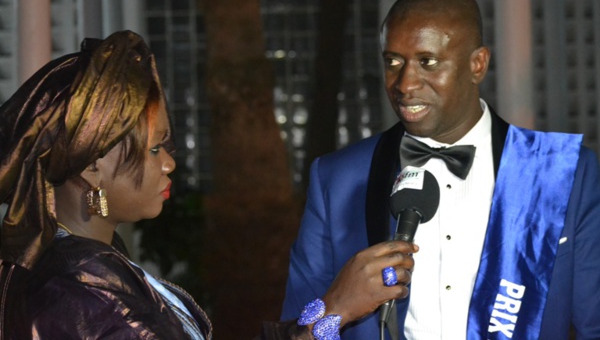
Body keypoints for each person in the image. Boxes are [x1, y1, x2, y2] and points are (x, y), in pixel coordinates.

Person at [0, 30, 417, 340]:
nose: (168, 163)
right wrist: (334, 310)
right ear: (92, 165)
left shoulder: (89, 266)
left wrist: (332, 310)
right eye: (153, 149)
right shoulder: (81, 293)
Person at [281, 0, 600, 339]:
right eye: (393, 62)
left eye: (427, 62)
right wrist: (337, 308)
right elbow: (295, 329)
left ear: (477, 64)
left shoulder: (561, 172)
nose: (405, 84)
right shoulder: (337, 178)